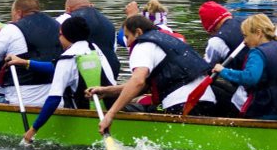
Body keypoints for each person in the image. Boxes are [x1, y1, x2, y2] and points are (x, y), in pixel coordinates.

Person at [89, 15, 217, 133]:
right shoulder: (168, 40)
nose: (127, 43)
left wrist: (110, 114)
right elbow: (143, 85)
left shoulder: (143, 45)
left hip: (182, 106)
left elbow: (138, 82)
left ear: (138, 32)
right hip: (208, 102)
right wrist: (107, 90)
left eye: (127, 37)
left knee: (129, 108)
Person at [9, 17, 117, 143]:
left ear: (67, 36)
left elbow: (53, 99)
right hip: (112, 109)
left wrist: (33, 129)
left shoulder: (68, 58)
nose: (59, 38)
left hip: (89, 116)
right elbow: (57, 68)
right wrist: (25, 63)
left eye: (60, 35)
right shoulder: (94, 49)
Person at [213, 14, 277, 120]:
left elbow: (250, 78)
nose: (244, 41)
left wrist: (223, 71)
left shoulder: (257, 53)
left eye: (245, 36)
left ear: (258, 33)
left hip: (264, 110)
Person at [57, 0, 119, 76]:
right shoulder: (108, 22)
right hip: (111, 69)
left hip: (83, 70)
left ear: (68, 9)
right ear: (91, 5)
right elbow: (113, 48)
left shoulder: (66, 19)